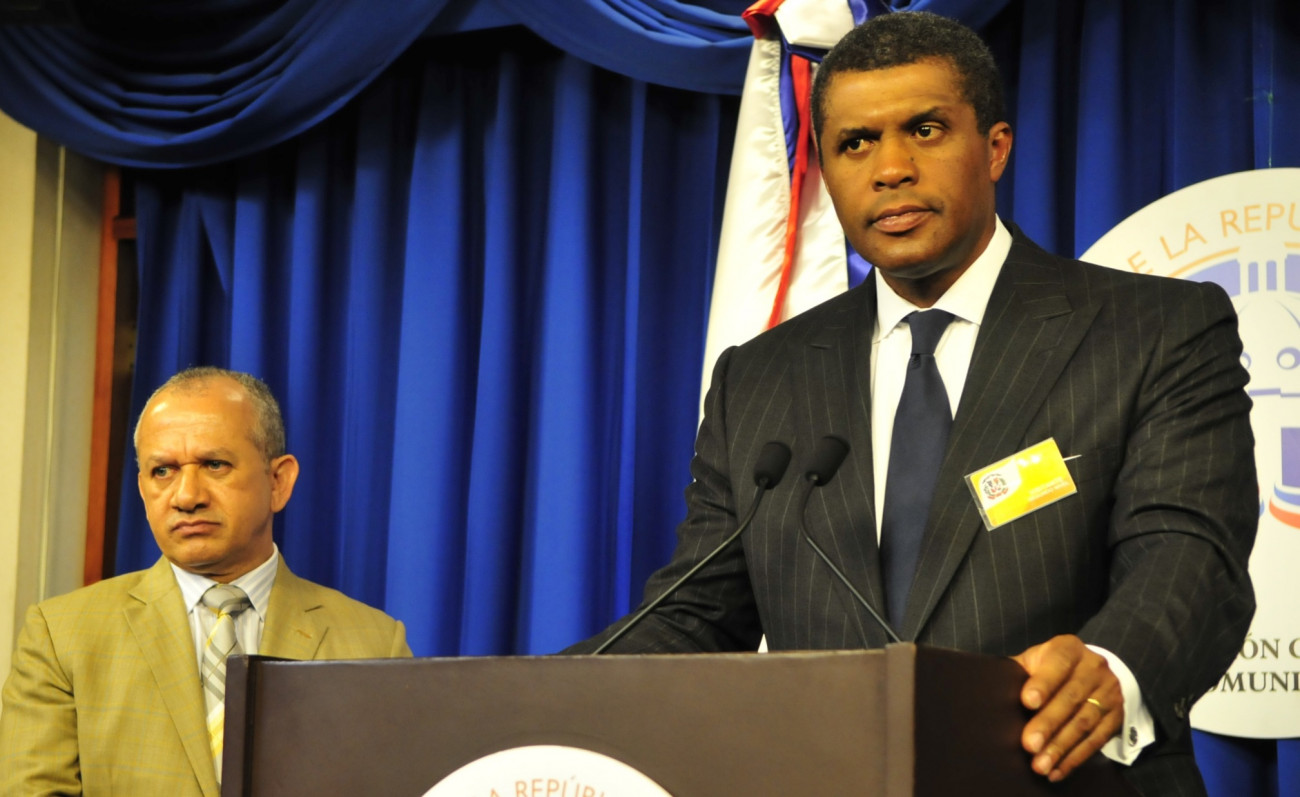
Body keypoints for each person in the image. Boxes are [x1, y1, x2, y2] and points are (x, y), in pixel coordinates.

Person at [566, 12, 1257, 797]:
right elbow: (695, 612)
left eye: (925, 130)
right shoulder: (758, 377)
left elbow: (1188, 555)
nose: (890, 169)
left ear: (995, 148)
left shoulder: (1153, 331)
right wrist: (528, 703)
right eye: (856, 143)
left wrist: (1113, 666)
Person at [1, 367, 412, 797]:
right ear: (142, 489)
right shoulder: (61, 635)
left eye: (215, 465)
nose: (186, 496)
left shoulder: (374, 643)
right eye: (163, 471)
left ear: (278, 481)